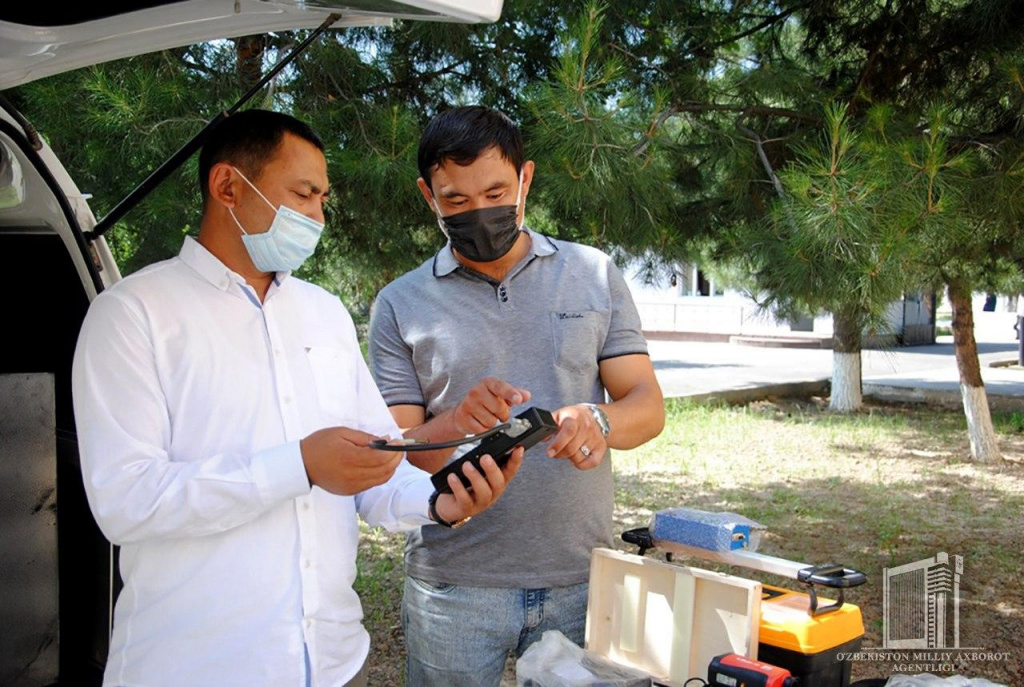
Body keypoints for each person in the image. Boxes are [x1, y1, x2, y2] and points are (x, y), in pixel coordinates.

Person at [71, 109, 521, 687]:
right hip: (196, 669)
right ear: (228, 186)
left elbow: (376, 466)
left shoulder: (324, 313)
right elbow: (125, 501)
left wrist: (440, 502)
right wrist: (298, 465)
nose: (317, 216)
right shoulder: (133, 315)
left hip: (335, 663)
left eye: (322, 199)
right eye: (304, 194)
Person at [368, 105, 666, 686]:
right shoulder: (399, 304)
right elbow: (396, 456)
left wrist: (598, 420)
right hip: (453, 582)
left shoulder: (594, 273)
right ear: (427, 194)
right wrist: (453, 421)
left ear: (526, 179)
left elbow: (647, 406)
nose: (479, 212)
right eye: (455, 201)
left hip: (581, 575)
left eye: (497, 191)